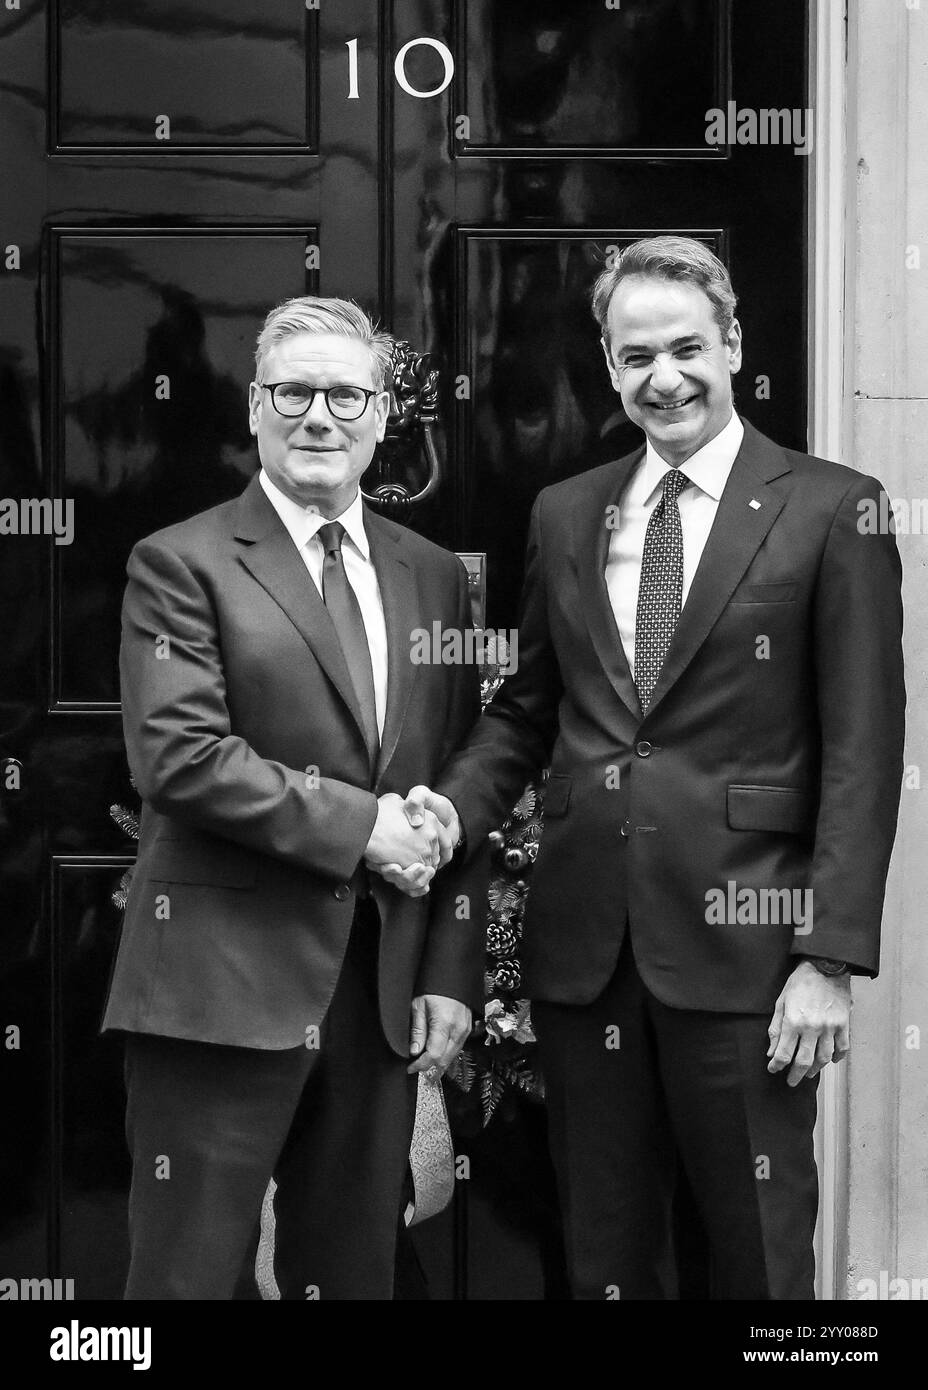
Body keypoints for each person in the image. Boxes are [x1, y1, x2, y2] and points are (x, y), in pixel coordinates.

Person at [397, 237, 906, 1299]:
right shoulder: (568, 512)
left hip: (750, 958)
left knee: (758, 1255)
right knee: (604, 1255)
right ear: (607, 360)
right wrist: (445, 809)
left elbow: (862, 747)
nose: (662, 377)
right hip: (587, 956)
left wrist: (829, 959)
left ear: (731, 344)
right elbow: (528, 714)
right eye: (636, 356)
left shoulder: (831, 508)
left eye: (685, 348)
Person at [102, 295, 487, 1300]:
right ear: (254, 409)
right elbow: (179, 758)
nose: (320, 416)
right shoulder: (179, 562)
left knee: (350, 1278)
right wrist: (364, 827)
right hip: (217, 995)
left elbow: (450, 781)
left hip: (377, 998)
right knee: (186, 1279)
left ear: (381, 415)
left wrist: (448, 967)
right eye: (293, 391)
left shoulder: (435, 577)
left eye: (346, 395)